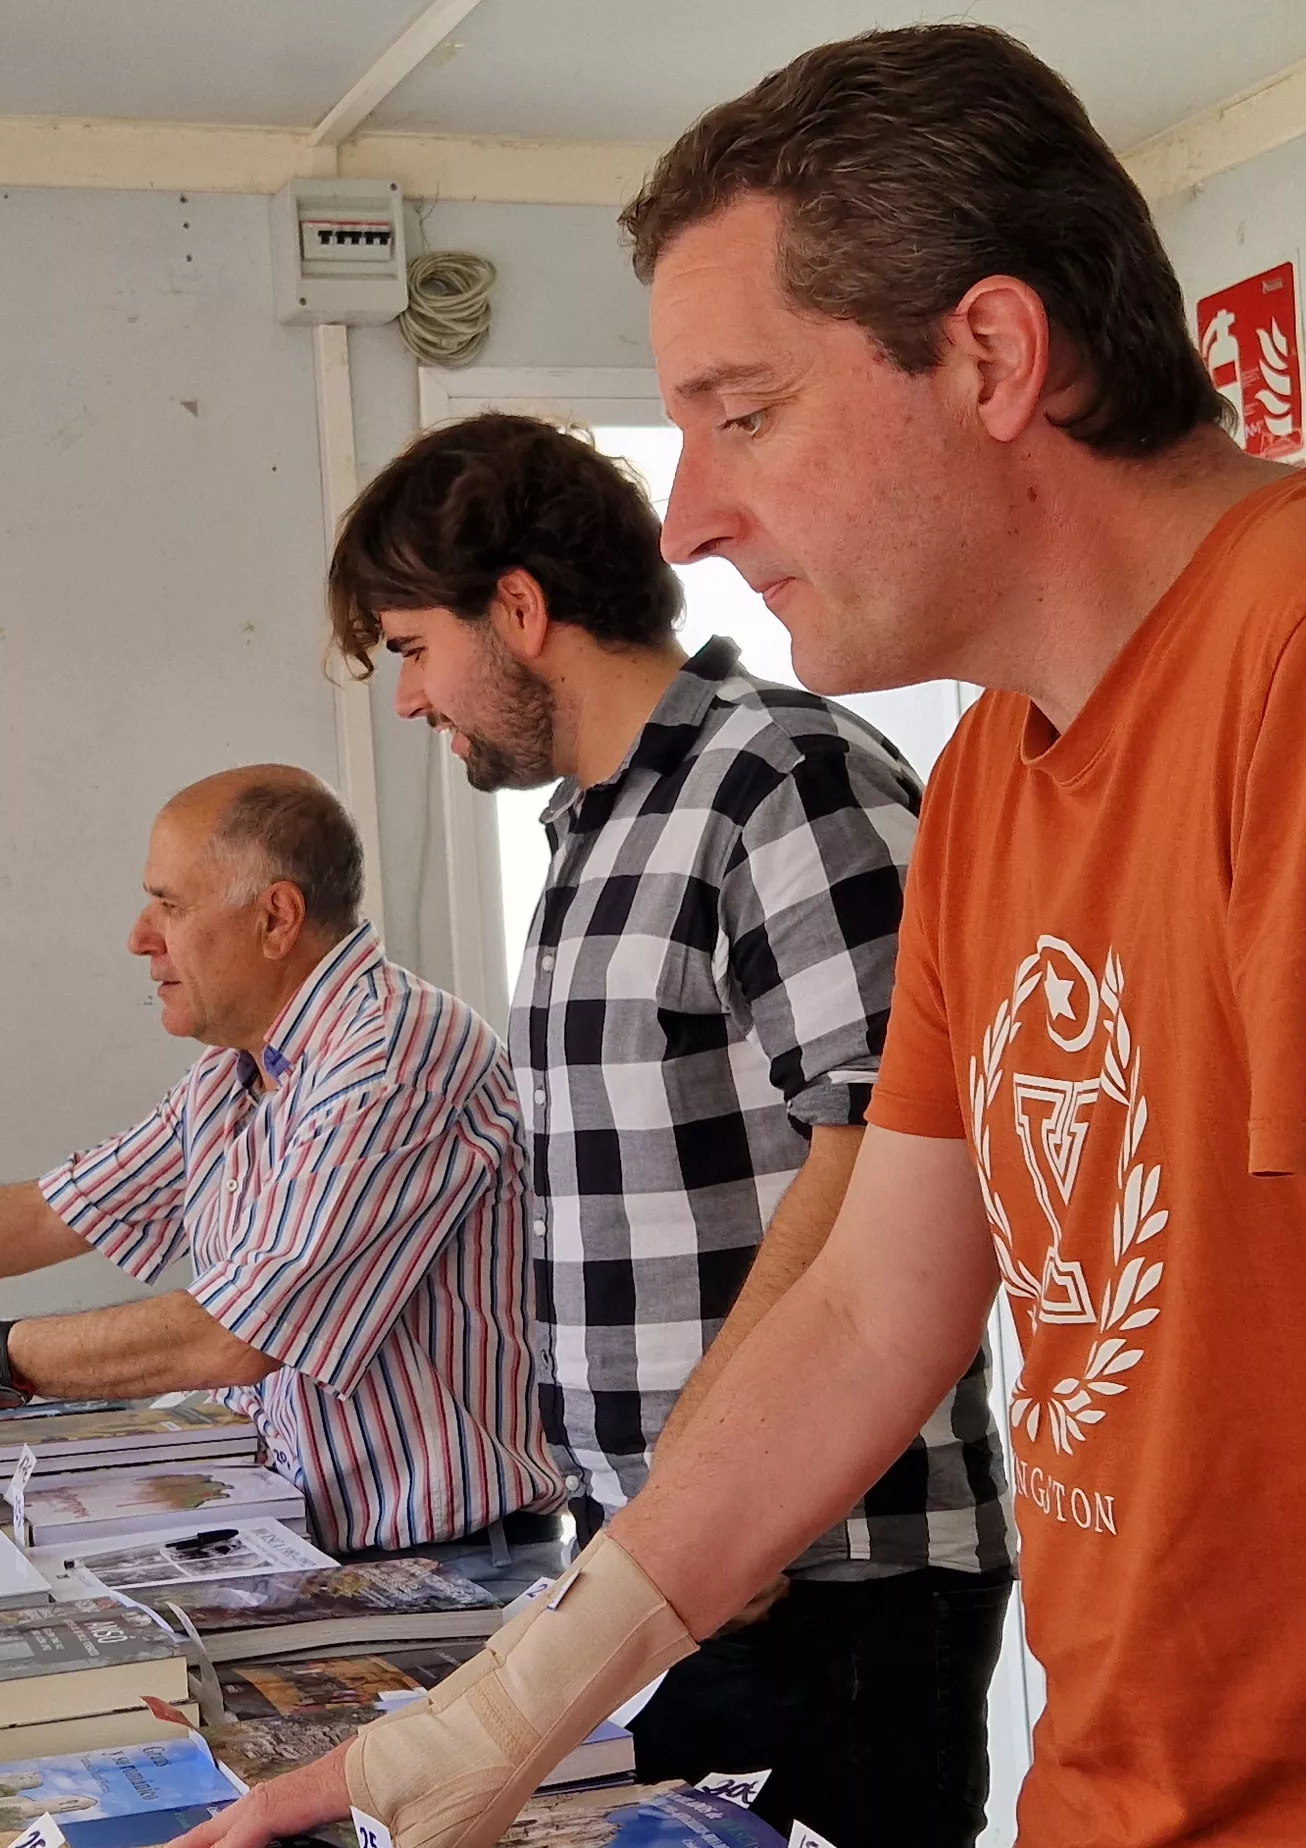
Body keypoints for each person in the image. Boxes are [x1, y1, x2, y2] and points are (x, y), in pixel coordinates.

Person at [181, 25, 1306, 1848]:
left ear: (989, 354)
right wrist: (490, 1722)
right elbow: (865, 1308)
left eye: (744, 414)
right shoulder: (990, 775)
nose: (693, 513)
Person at [328, 412, 1013, 1845]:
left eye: (410, 647)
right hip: (671, 1571)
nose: (407, 698)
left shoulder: (785, 782)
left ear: (518, 610)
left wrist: (712, 1491)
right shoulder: (594, 831)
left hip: (828, 1580)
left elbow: (891, 1145)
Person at [0, 766, 559, 1554]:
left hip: (449, 1564)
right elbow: (50, 1211)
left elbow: (233, 1334)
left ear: (277, 917)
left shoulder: (395, 1050)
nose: (141, 937)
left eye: (170, 904)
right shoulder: (238, 1073)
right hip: (304, 1545)